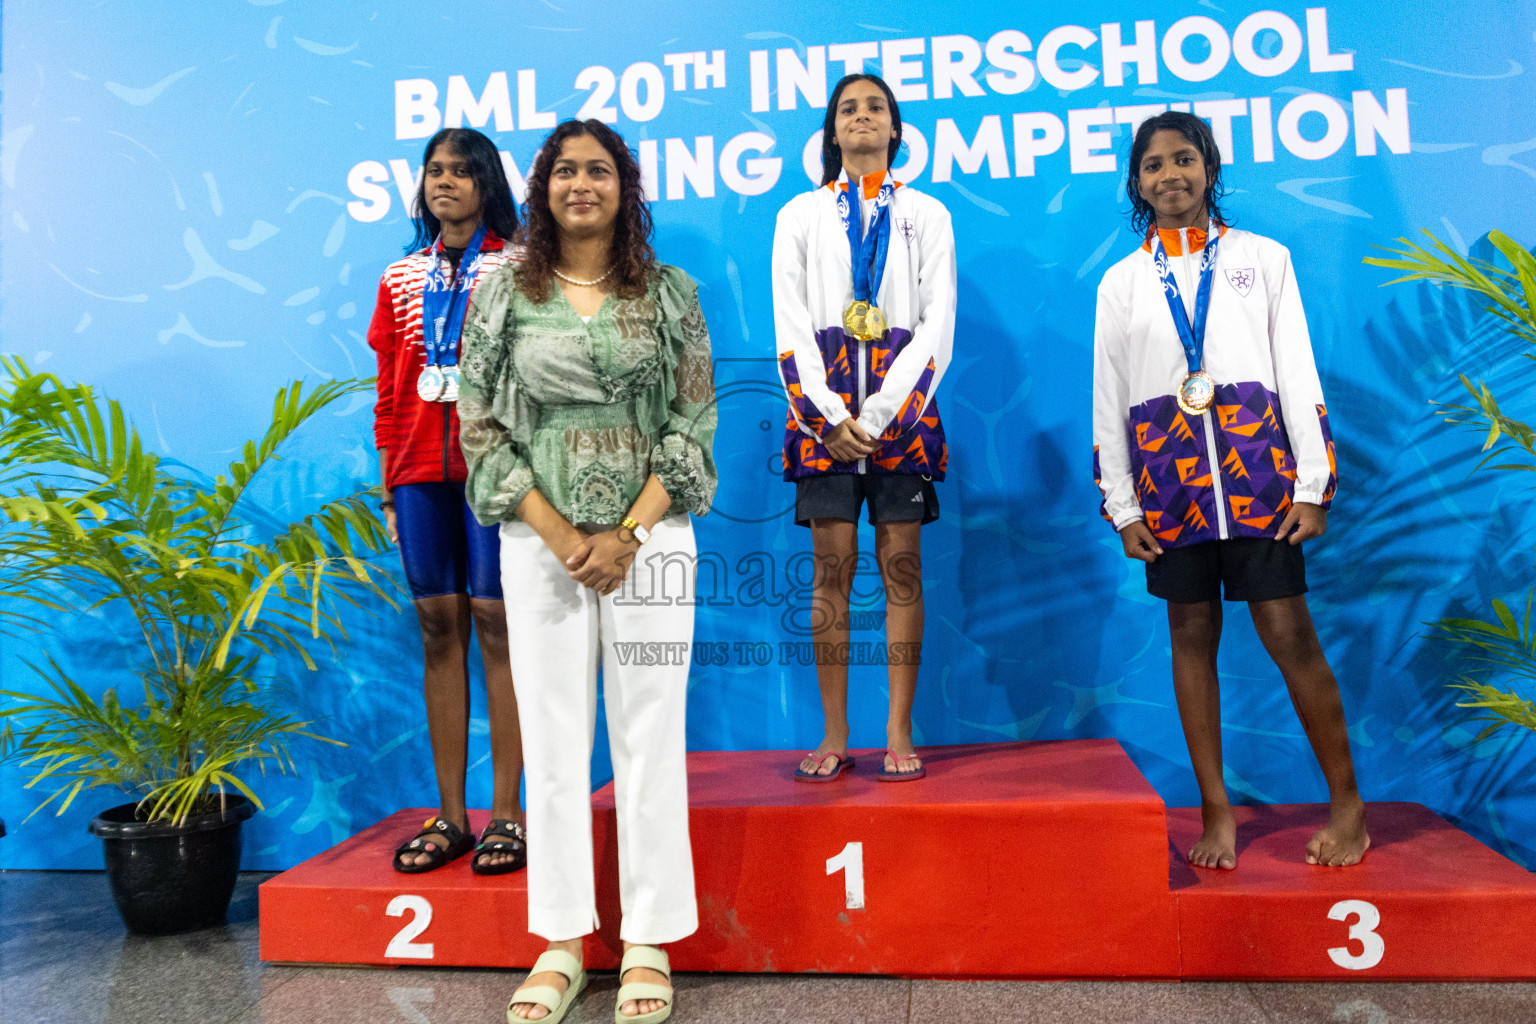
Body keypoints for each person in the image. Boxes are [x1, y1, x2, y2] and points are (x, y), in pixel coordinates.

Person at [457, 119, 716, 1024]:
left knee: (650, 736)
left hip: (652, 542)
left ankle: (648, 939)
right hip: (539, 547)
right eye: (564, 170)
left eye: (597, 170)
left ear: (625, 188)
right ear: (541, 187)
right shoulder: (502, 297)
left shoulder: (672, 293)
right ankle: (561, 940)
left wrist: (628, 534)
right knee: (556, 745)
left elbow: (693, 424)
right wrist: (562, 534)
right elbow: (481, 426)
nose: (581, 184)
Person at [1091, 110, 1370, 870]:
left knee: (1288, 633)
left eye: (1185, 160)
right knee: (1190, 636)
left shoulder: (1262, 259)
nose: (1170, 175)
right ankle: (1218, 811)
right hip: (1169, 487)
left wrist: (1312, 485)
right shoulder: (1121, 284)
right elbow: (1108, 398)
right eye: (1154, 165)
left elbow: (1299, 372)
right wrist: (1123, 505)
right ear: (1137, 183)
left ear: (1210, 169)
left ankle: (1348, 805)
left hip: (1259, 480)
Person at [772, 73, 955, 783]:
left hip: (900, 418)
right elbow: (788, 319)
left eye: (875, 107)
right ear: (832, 132)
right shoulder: (799, 215)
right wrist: (826, 417)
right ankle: (834, 730)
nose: (862, 117)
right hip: (821, 422)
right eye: (848, 108)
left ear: (896, 129)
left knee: (901, 568)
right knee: (831, 572)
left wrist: (875, 417)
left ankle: (897, 727)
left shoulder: (927, 214)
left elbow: (938, 321)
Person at [367, 127, 528, 876]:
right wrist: (389, 482)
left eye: (462, 172)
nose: (445, 183)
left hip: (495, 473)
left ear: (487, 183)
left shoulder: (522, 267)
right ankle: (452, 815)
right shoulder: (402, 277)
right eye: (435, 171)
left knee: (498, 627)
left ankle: (508, 814)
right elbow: (392, 387)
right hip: (417, 474)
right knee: (438, 626)